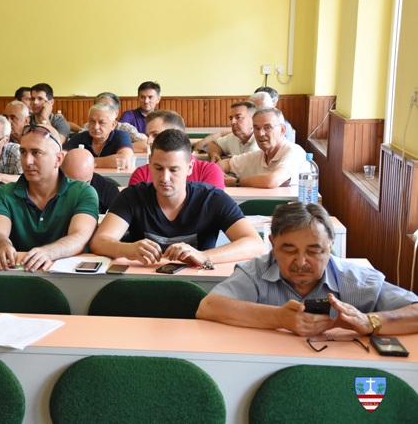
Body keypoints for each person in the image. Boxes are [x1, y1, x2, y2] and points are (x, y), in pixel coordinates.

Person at [197, 202, 418, 337]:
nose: (301, 262)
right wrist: (279, 318)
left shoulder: (357, 280)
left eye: (314, 251)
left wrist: (370, 322)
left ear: (330, 246)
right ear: (273, 245)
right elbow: (209, 306)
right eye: (289, 250)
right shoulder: (255, 272)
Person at [91, 129, 264, 265]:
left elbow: (255, 244)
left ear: (189, 168)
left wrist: (204, 256)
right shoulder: (133, 196)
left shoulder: (212, 198)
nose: (164, 178)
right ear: (149, 162)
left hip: (197, 281)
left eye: (174, 170)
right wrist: (127, 250)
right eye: (158, 168)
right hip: (142, 280)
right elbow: (99, 241)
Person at [0, 123, 98, 272]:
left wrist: (49, 252)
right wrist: (3, 245)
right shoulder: (3, 193)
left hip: (68, 277)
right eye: (23, 152)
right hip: (18, 274)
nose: (27, 161)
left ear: (58, 159)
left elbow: (80, 236)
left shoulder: (83, 192)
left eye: (36, 153)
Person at [128, 110, 225, 189]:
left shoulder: (209, 171)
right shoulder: (141, 173)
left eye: (156, 135)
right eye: (148, 136)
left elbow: (212, 206)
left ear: (176, 134)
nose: (149, 141)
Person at [217, 108, 306, 188]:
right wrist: (221, 176)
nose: (260, 134)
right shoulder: (258, 155)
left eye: (267, 128)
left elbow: (272, 180)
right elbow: (225, 163)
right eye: (257, 128)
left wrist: (236, 182)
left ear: (282, 130)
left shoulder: (295, 152)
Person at [64, 103, 134, 167]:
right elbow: (63, 156)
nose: (95, 127)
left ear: (113, 125)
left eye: (101, 122)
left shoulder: (120, 136)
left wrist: (85, 162)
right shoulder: (80, 137)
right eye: (92, 121)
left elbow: (125, 160)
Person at [75, 92, 148, 153]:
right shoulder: (88, 127)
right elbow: (77, 146)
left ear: (116, 113)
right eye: (99, 106)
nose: (102, 110)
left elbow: (146, 144)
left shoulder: (124, 128)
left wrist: (121, 148)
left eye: (107, 107)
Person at [61, 148, 119, 214]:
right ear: (61, 168)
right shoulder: (52, 185)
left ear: (93, 167)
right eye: (72, 183)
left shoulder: (108, 190)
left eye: (87, 183)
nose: (79, 191)